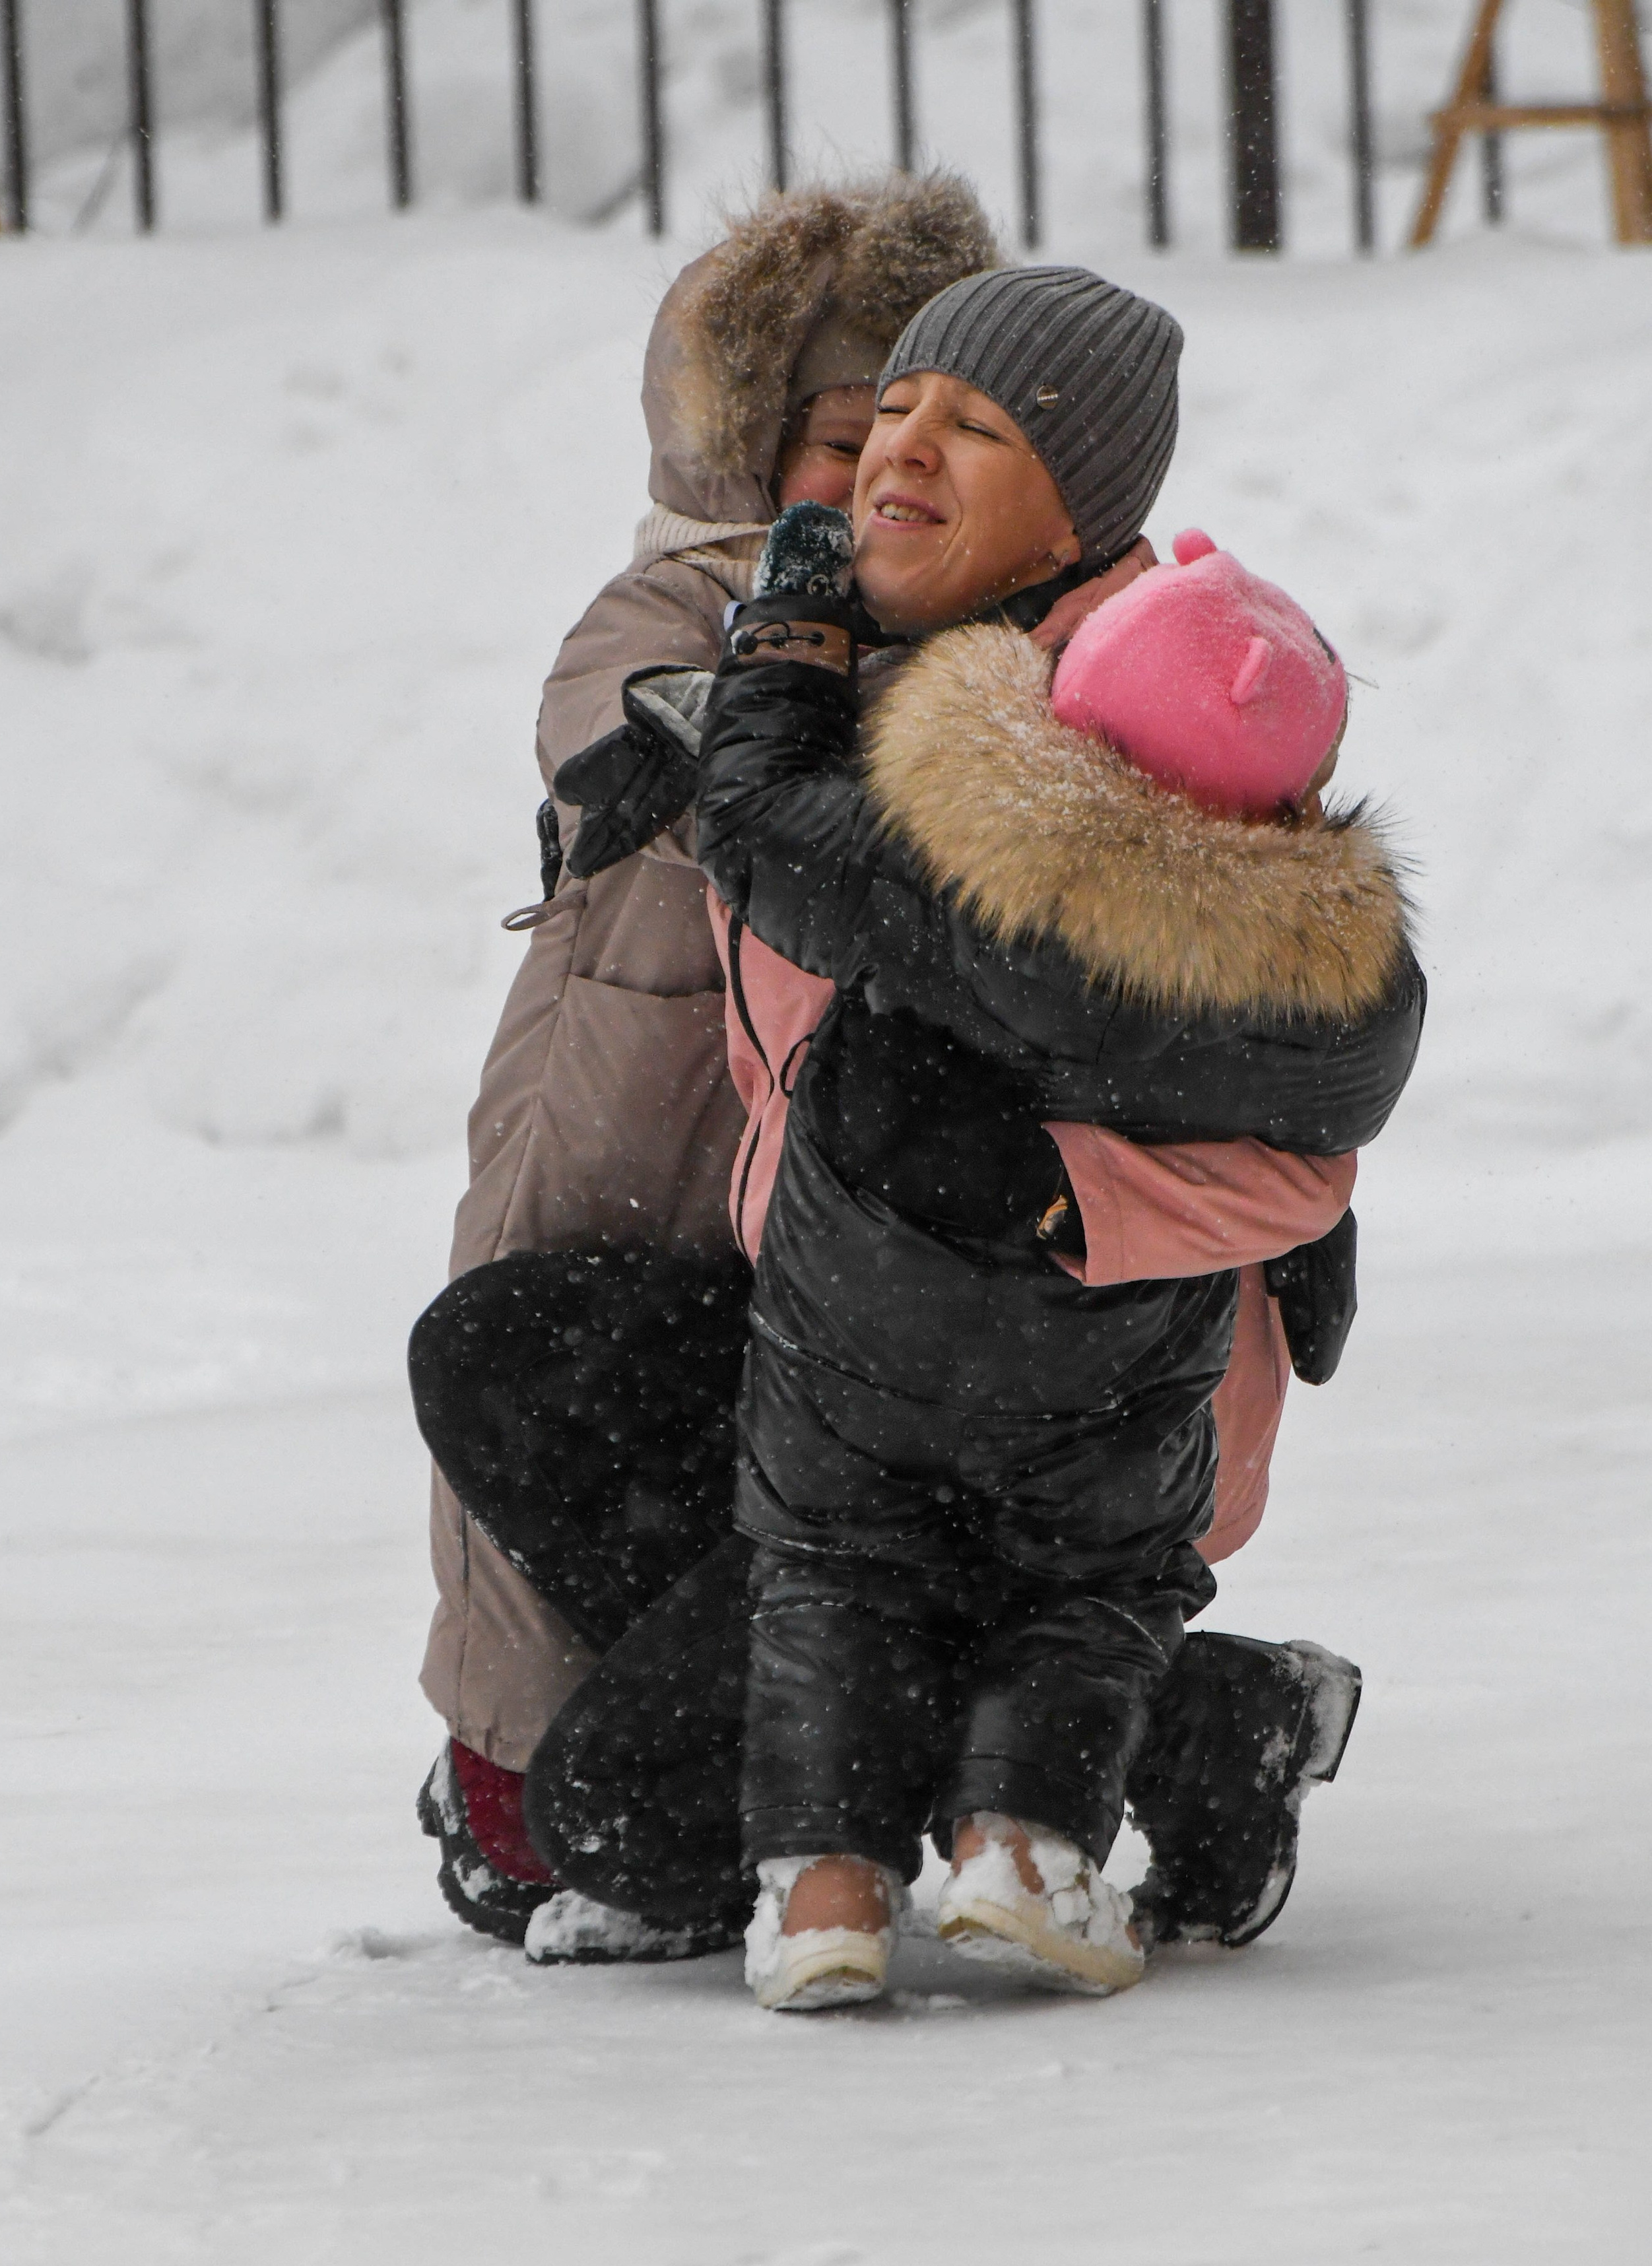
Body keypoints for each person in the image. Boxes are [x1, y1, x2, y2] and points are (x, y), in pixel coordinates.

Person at [513, 271, 1419, 1979]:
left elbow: (1313, 1083)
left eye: (970, 427)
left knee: (649, 1787)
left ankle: (1208, 1722)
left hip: (1086, 1399)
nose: (897, 453)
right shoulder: (864, 643)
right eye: (885, 418)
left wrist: (1062, 1195)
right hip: (854, 1335)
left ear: (1080, 509)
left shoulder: (1146, 716)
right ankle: (916, 1770)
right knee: (510, 1358)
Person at [413, 175, 1001, 1943]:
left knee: (856, 1498)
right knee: (556, 1403)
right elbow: (609, 715)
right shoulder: (683, 592)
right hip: (633, 1106)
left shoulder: (1004, 634)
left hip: (861, 1162)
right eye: (845, 436)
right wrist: (767, 696)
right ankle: (527, 1779)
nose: (888, 471)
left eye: (927, 427)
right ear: (747, 451)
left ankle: (906, 1770)